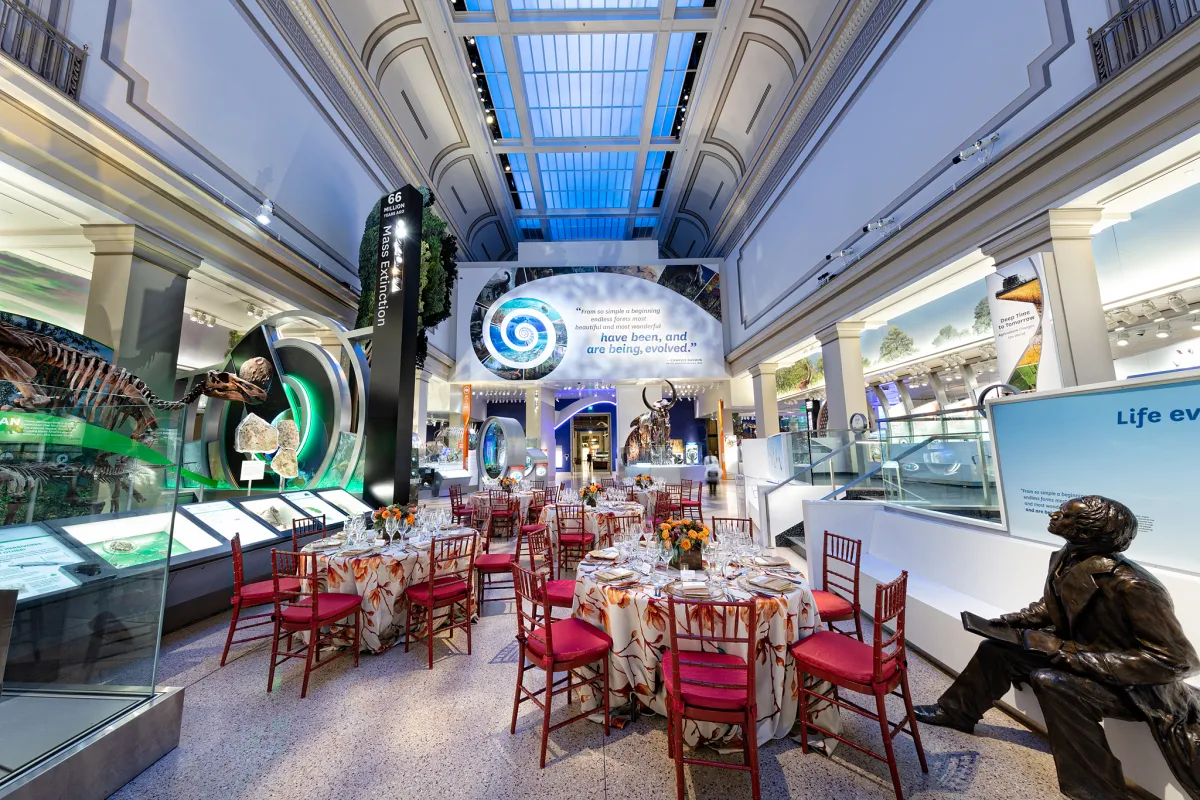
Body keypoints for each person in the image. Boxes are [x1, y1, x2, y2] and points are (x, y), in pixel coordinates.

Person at [914, 496, 1200, 800]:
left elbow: (1177, 661)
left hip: (1131, 686)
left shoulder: (1133, 585)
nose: (1054, 513)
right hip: (1080, 654)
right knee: (995, 649)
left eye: (1064, 514)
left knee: (1051, 682)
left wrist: (1070, 655)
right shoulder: (1067, 556)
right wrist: (1017, 620)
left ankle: (1098, 791)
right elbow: (1054, 606)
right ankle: (956, 712)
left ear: (1088, 532)